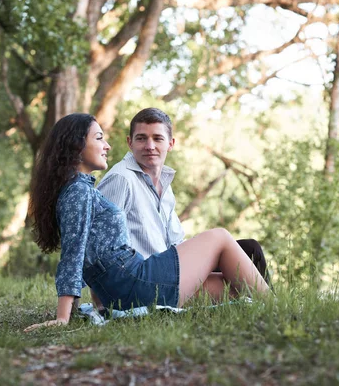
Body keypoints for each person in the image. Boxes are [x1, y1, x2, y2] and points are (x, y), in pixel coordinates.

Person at [24, 113, 269, 332]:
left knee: (233, 286)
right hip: (134, 281)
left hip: (133, 284)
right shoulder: (82, 191)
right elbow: (73, 254)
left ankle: (273, 311)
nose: (107, 145)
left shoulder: (81, 190)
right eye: (99, 138)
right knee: (219, 236)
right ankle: (279, 311)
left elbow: (86, 253)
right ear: (76, 144)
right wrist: (63, 317)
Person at [96, 107, 270, 284]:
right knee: (226, 250)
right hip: (146, 275)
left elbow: (176, 240)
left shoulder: (164, 182)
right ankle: (267, 303)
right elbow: (98, 243)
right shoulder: (121, 179)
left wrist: (202, 263)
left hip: (170, 266)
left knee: (250, 249)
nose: (150, 146)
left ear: (170, 144)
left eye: (157, 138)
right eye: (141, 138)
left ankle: (270, 306)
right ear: (130, 143)